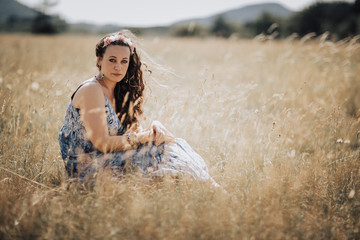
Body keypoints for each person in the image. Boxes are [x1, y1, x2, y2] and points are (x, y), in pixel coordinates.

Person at [58, 30, 219, 187]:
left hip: (111, 158)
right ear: (99, 60)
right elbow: (103, 144)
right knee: (155, 150)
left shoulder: (120, 91)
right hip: (86, 170)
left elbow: (134, 132)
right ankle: (209, 189)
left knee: (171, 143)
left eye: (124, 61)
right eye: (112, 60)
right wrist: (145, 137)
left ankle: (206, 187)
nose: (118, 67)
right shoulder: (91, 90)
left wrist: (155, 126)